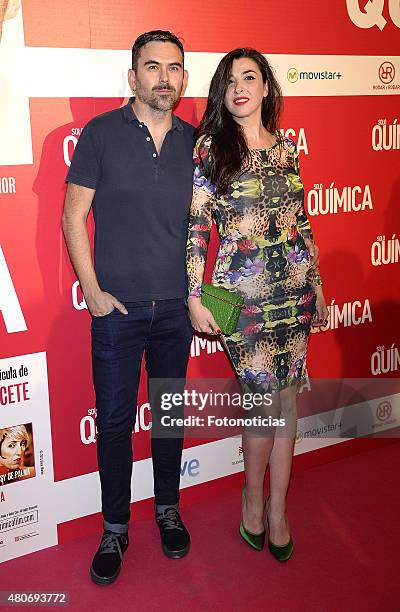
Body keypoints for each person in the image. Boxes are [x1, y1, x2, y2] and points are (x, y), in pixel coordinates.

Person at [62, 30, 194, 586]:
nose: (165, 77)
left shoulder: (198, 141)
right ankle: (115, 527)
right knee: (115, 424)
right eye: (153, 67)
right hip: (116, 313)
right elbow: (73, 216)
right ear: (133, 76)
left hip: (176, 314)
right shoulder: (99, 134)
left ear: (183, 78)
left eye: (174, 68)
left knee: (167, 416)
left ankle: (168, 510)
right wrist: (92, 292)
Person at [187, 48, 328, 561]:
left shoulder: (288, 148)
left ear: (267, 87)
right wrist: (194, 292)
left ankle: (278, 509)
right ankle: (252, 499)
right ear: (223, 95)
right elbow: (199, 228)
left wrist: (317, 280)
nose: (240, 86)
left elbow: (302, 222)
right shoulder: (210, 148)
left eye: (250, 77)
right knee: (263, 404)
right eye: (230, 80)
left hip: (294, 293)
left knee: (287, 400)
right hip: (241, 301)